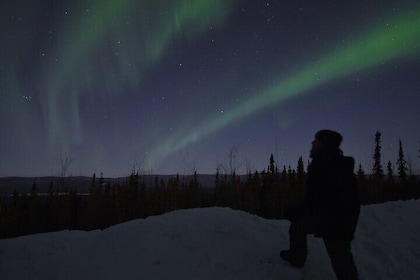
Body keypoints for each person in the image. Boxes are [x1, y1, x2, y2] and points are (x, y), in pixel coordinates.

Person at [281, 129, 360, 280]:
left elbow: (344, 201)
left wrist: (345, 228)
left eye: (315, 141)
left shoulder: (335, 168)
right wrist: (298, 211)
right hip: (324, 218)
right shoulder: (321, 164)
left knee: (341, 262)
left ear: (324, 145)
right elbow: (314, 198)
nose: (312, 144)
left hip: (336, 223)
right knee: (297, 227)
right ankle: (296, 258)